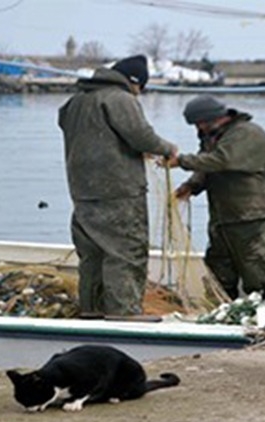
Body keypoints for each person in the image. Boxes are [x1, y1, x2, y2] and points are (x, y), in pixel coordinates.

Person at [58, 54, 176, 319]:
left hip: (83, 191)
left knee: (93, 255)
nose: (139, 94)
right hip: (119, 192)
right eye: (140, 88)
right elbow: (140, 136)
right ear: (134, 82)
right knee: (125, 252)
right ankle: (124, 314)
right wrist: (167, 149)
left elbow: (93, 134)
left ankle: (92, 311)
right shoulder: (119, 98)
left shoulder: (76, 102)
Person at [166, 96, 265, 299]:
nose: (199, 128)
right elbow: (207, 167)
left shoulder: (246, 134)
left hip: (256, 218)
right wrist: (192, 186)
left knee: (257, 271)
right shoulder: (214, 136)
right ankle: (220, 310)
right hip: (225, 219)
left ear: (214, 118)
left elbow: (222, 161)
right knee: (218, 271)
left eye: (199, 123)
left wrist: (181, 161)